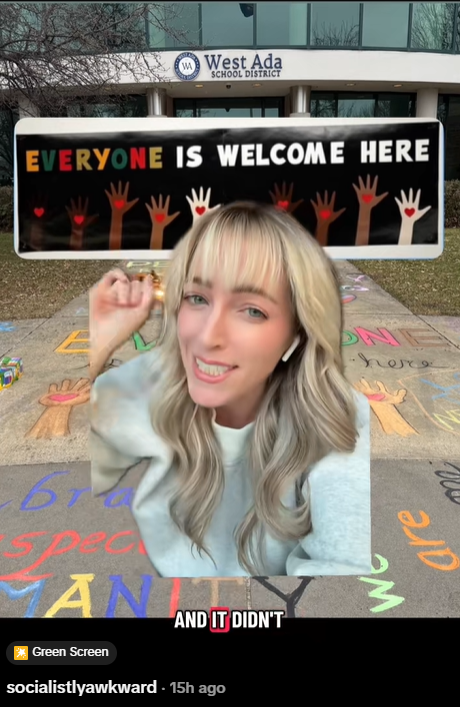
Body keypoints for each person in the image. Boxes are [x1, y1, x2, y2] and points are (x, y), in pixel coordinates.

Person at [89, 201, 371, 578]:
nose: (208, 337)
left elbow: (342, 576)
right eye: (197, 298)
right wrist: (99, 344)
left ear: (297, 333)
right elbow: (82, 456)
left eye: (252, 310)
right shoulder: (157, 381)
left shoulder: (337, 418)